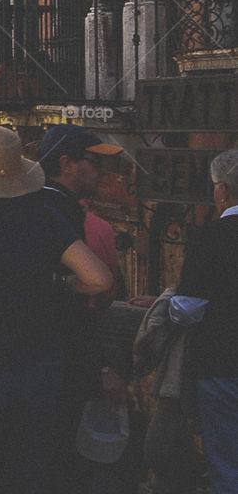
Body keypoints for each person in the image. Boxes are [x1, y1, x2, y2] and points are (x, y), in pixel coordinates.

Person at [0, 123, 112, 494]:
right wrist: (61, 284)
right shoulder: (46, 219)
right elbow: (99, 279)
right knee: (31, 470)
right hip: (38, 364)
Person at [37, 124, 127, 493]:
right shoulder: (59, 210)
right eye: (92, 162)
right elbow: (82, 298)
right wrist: (100, 367)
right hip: (59, 362)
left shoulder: (46, 204)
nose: (102, 171)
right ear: (66, 164)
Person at [169, 147, 238, 494]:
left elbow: (188, 309)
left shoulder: (209, 237)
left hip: (221, 363)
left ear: (223, 190)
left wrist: (167, 305)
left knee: (227, 463)